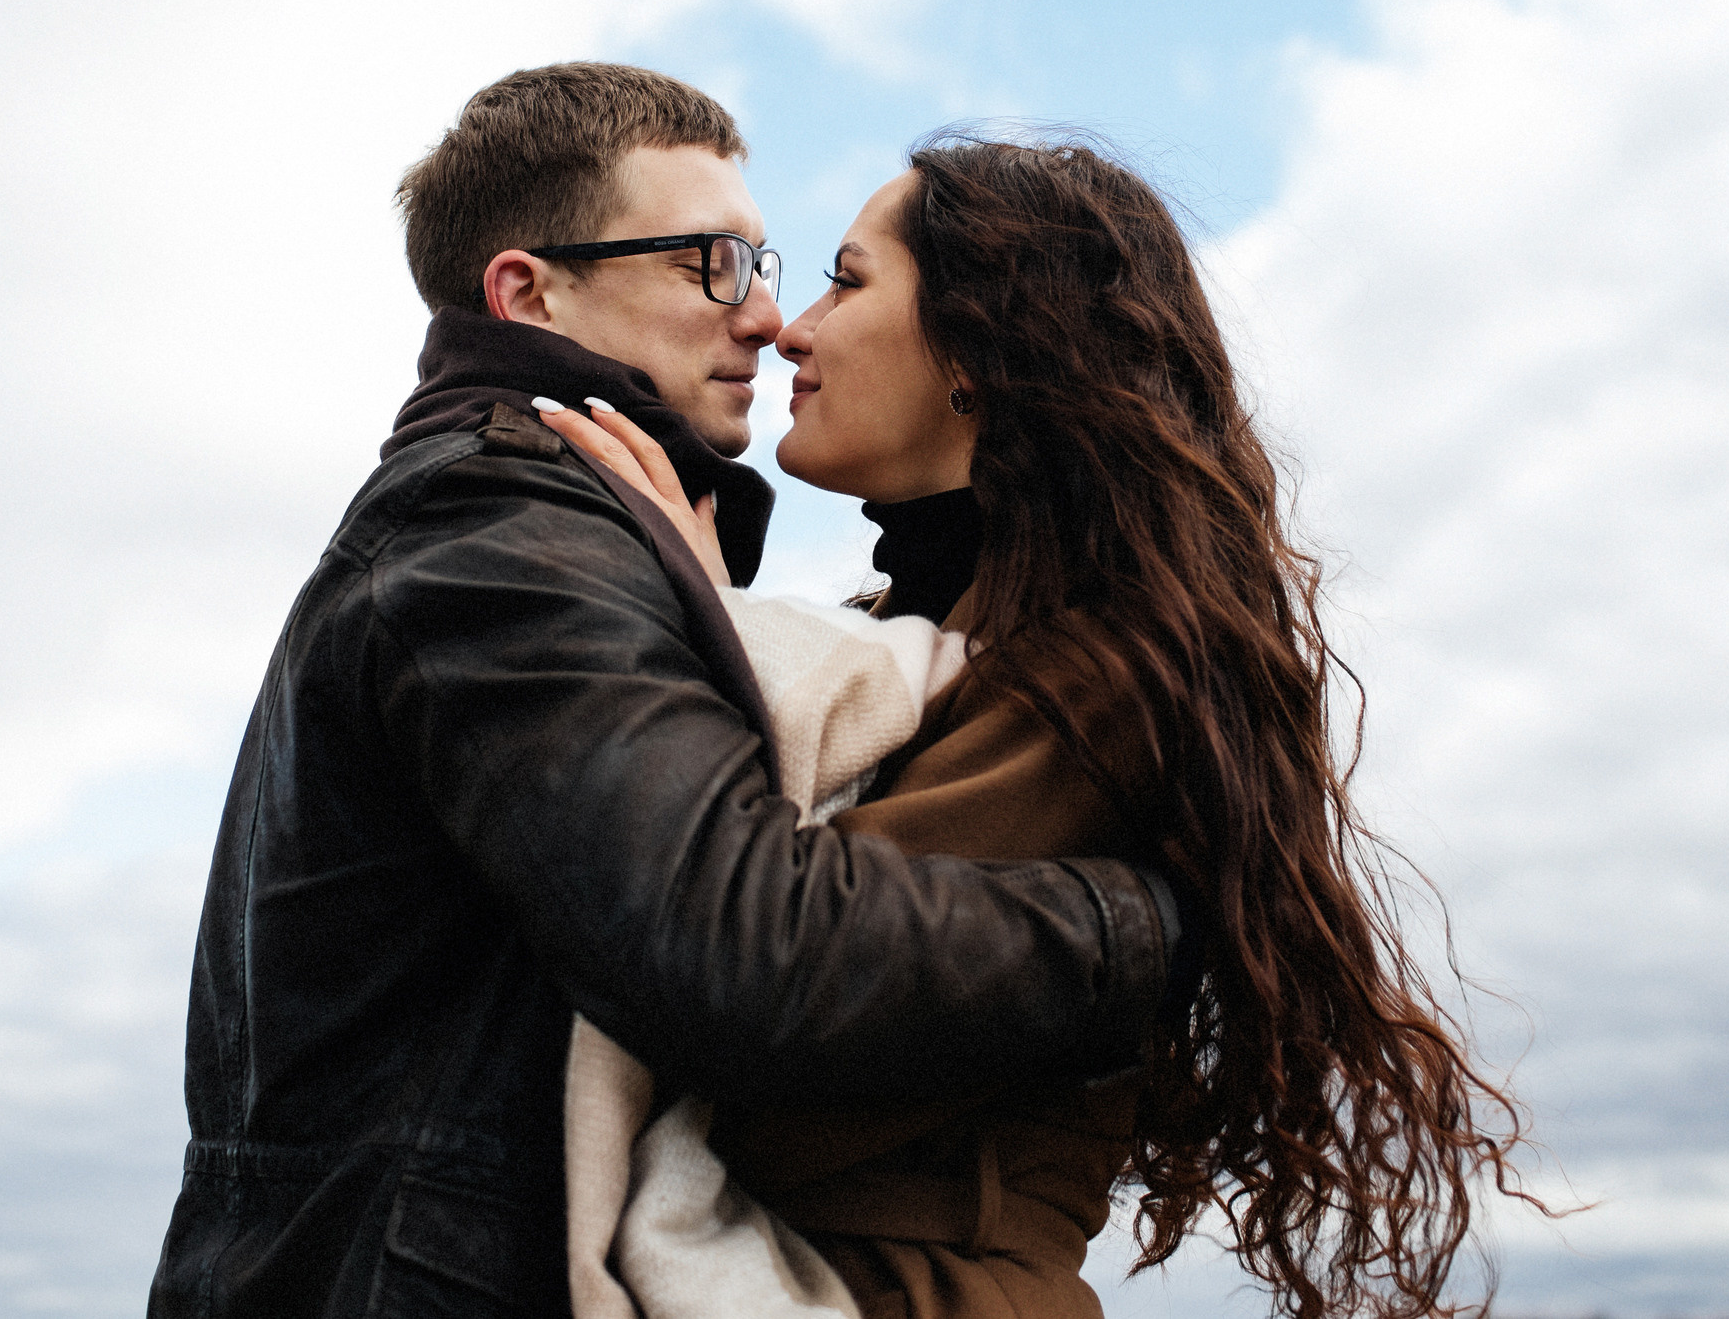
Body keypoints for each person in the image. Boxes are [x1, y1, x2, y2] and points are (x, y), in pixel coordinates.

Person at [146, 69, 1182, 1319]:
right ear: (528, 290)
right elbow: (743, 951)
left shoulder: (555, 527)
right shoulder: (501, 527)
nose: (765, 317)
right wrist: (1154, 927)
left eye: (771, 264)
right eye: (711, 263)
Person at [543, 134, 1530, 1319]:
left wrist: (700, 629)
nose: (788, 329)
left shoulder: (1108, 674)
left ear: (977, 347)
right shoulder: (924, 636)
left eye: (847, 281)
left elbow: (763, 1016)